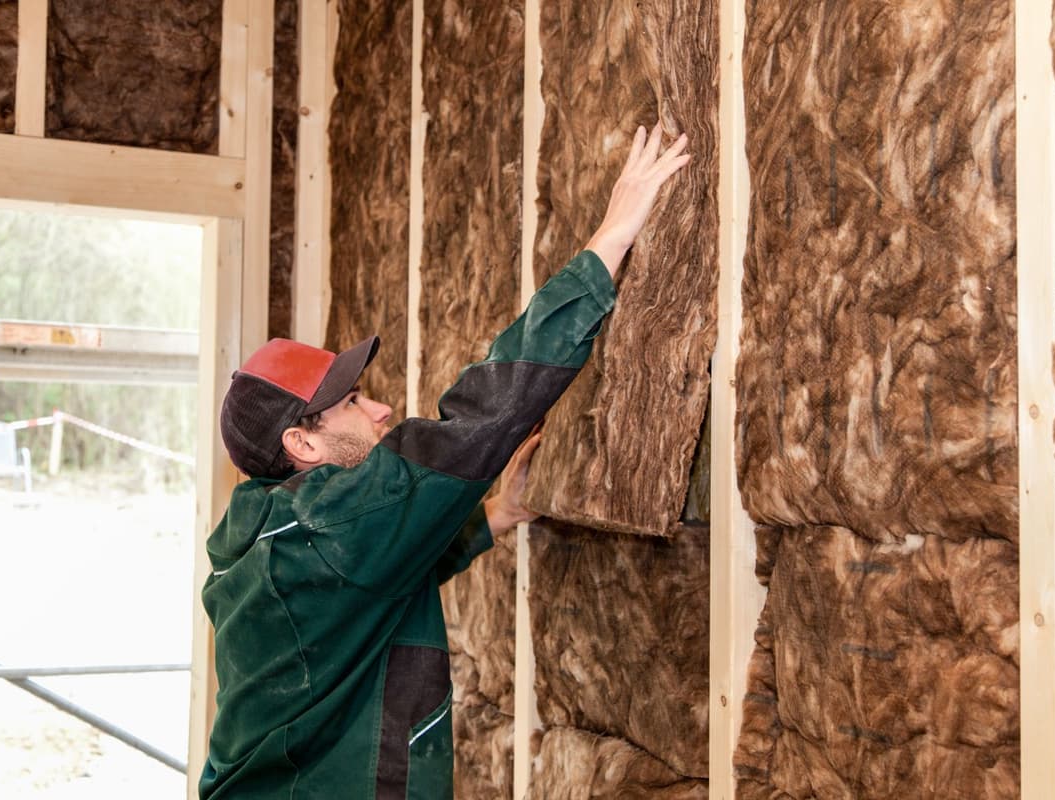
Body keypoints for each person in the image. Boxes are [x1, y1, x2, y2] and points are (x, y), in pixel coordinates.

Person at [199, 122, 690, 799]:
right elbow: (477, 420)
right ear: (302, 444)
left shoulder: (263, 526)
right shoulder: (329, 527)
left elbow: (383, 572)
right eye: (351, 404)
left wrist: (495, 516)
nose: (377, 412)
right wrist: (610, 241)